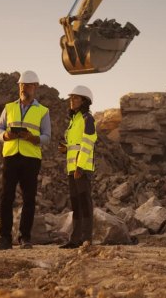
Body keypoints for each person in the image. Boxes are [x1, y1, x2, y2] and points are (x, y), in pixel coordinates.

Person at [0, 70, 51, 250]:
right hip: (10, 156)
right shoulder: (9, 107)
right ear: (19, 87)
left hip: (31, 158)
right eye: (22, 85)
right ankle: (5, 238)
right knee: (6, 197)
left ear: (35, 88)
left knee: (29, 198)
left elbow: (47, 136)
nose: (24, 88)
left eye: (28, 85)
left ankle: (25, 237)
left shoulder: (43, 111)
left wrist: (34, 138)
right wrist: (6, 136)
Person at [58, 85, 97, 249]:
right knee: (76, 204)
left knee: (84, 202)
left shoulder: (88, 119)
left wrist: (80, 167)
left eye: (75, 98)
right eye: (71, 97)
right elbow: (76, 144)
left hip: (82, 169)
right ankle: (75, 239)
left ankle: (86, 238)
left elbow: (88, 144)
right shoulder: (74, 121)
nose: (71, 101)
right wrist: (66, 148)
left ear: (84, 101)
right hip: (73, 169)